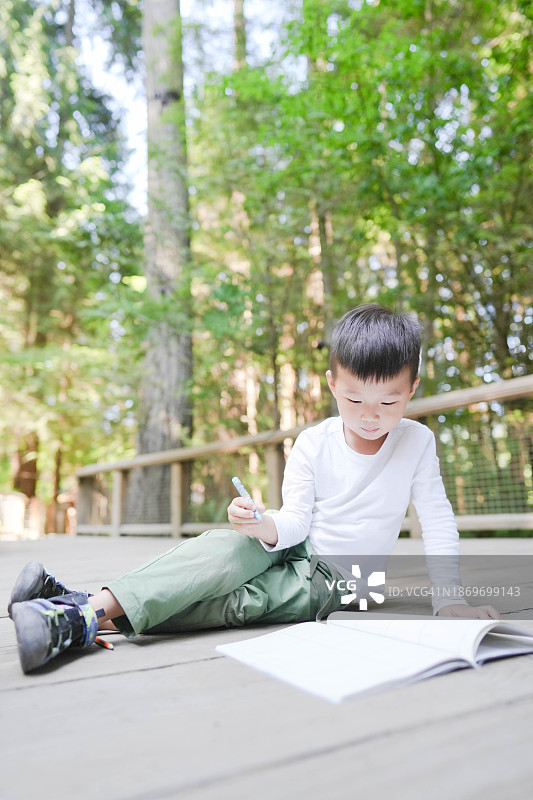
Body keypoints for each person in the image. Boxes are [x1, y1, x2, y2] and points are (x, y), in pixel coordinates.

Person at [8, 304, 499, 674]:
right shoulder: (313, 443)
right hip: (295, 543)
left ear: (412, 388)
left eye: (389, 402)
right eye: (354, 400)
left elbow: (437, 519)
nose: (371, 416)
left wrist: (448, 599)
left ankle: (77, 610)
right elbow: (296, 521)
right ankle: (78, 610)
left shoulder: (417, 442)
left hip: (343, 581)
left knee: (242, 600)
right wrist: (262, 526)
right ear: (332, 384)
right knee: (222, 552)